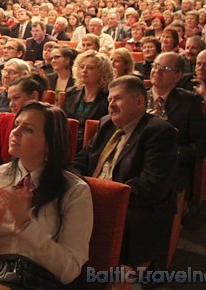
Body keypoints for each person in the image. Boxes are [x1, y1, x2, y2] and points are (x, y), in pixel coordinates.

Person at [0, 102, 92, 286]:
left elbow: (69, 271)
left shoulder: (74, 190)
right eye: (16, 125)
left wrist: (25, 224)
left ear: (49, 144)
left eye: (29, 129)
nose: (15, 132)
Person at [69, 75, 178, 267]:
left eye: (117, 98)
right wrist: (80, 188)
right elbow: (80, 161)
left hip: (131, 206)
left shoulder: (158, 132)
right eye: (110, 99)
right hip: (90, 195)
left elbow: (151, 186)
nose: (111, 105)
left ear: (138, 101)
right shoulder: (106, 124)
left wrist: (104, 196)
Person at [148, 52, 206, 190]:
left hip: (170, 167)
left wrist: (172, 153)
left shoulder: (190, 102)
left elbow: (203, 144)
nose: (157, 71)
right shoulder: (138, 97)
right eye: (156, 66)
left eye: (165, 69)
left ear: (177, 76)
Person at [0, 74, 48, 164]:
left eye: (16, 98)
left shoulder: (52, 121)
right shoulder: (5, 120)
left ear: (34, 96)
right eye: (9, 100)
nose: (11, 104)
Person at [62, 50, 113, 151]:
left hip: (95, 147)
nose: (84, 71)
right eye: (82, 67)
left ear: (102, 72)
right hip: (67, 144)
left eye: (90, 68)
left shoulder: (109, 97)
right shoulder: (71, 93)